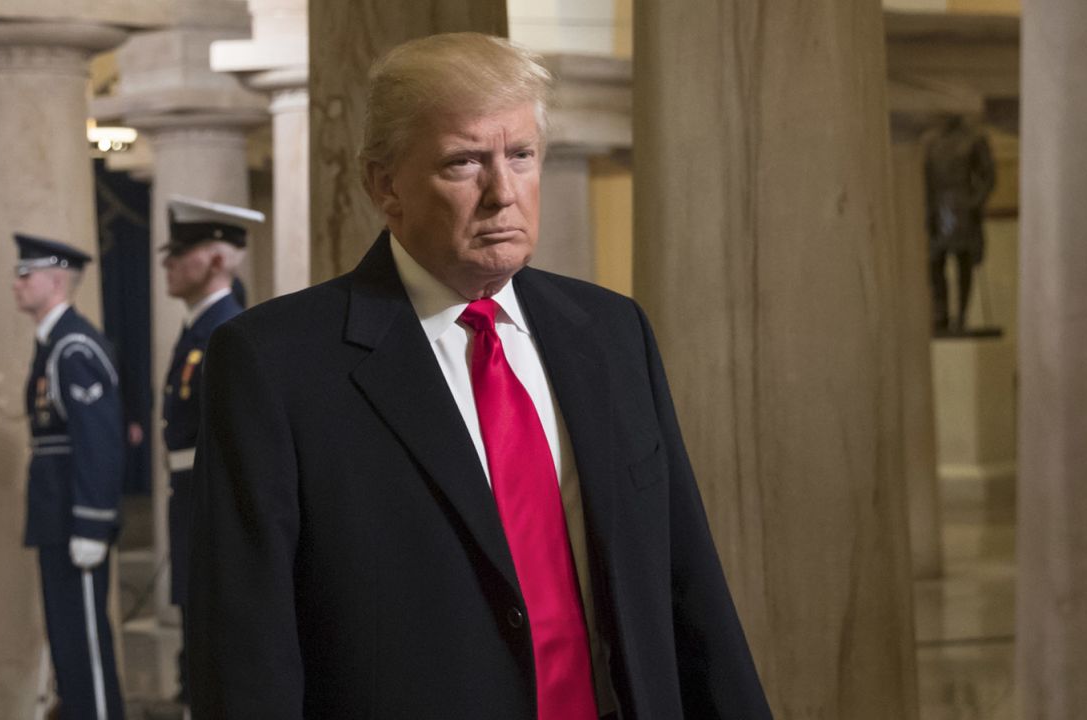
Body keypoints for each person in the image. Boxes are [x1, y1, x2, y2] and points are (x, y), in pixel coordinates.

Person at [187, 33, 770, 720]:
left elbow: (688, 584)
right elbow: (246, 654)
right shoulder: (275, 365)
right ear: (385, 185)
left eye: (520, 155)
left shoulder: (612, 334)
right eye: (464, 162)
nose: (502, 193)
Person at [13, 234, 125, 720]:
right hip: (55, 514)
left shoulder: (74, 347)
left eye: (26, 274)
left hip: (74, 518)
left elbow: (99, 443)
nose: (16, 284)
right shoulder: (53, 344)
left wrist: (93, 523)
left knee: (84, 648)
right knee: (67, 644)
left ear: (55, 281)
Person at [158, 196, 261, 712]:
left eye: (182, 252)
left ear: (219, 260)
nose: (167, 264)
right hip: (190, 493)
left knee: (213, 623)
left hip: (210, 496)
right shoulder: (199, 328)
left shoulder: (226, 330)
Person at [925, 114, 996, 334]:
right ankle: (941, 313)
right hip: (939, 208)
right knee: (936, 262)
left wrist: (974, 201)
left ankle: (961, 316)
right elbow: (925, 179)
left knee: (963, 261)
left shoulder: (973, 139)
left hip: (963, 208)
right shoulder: (931, 142)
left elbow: (988, 175)